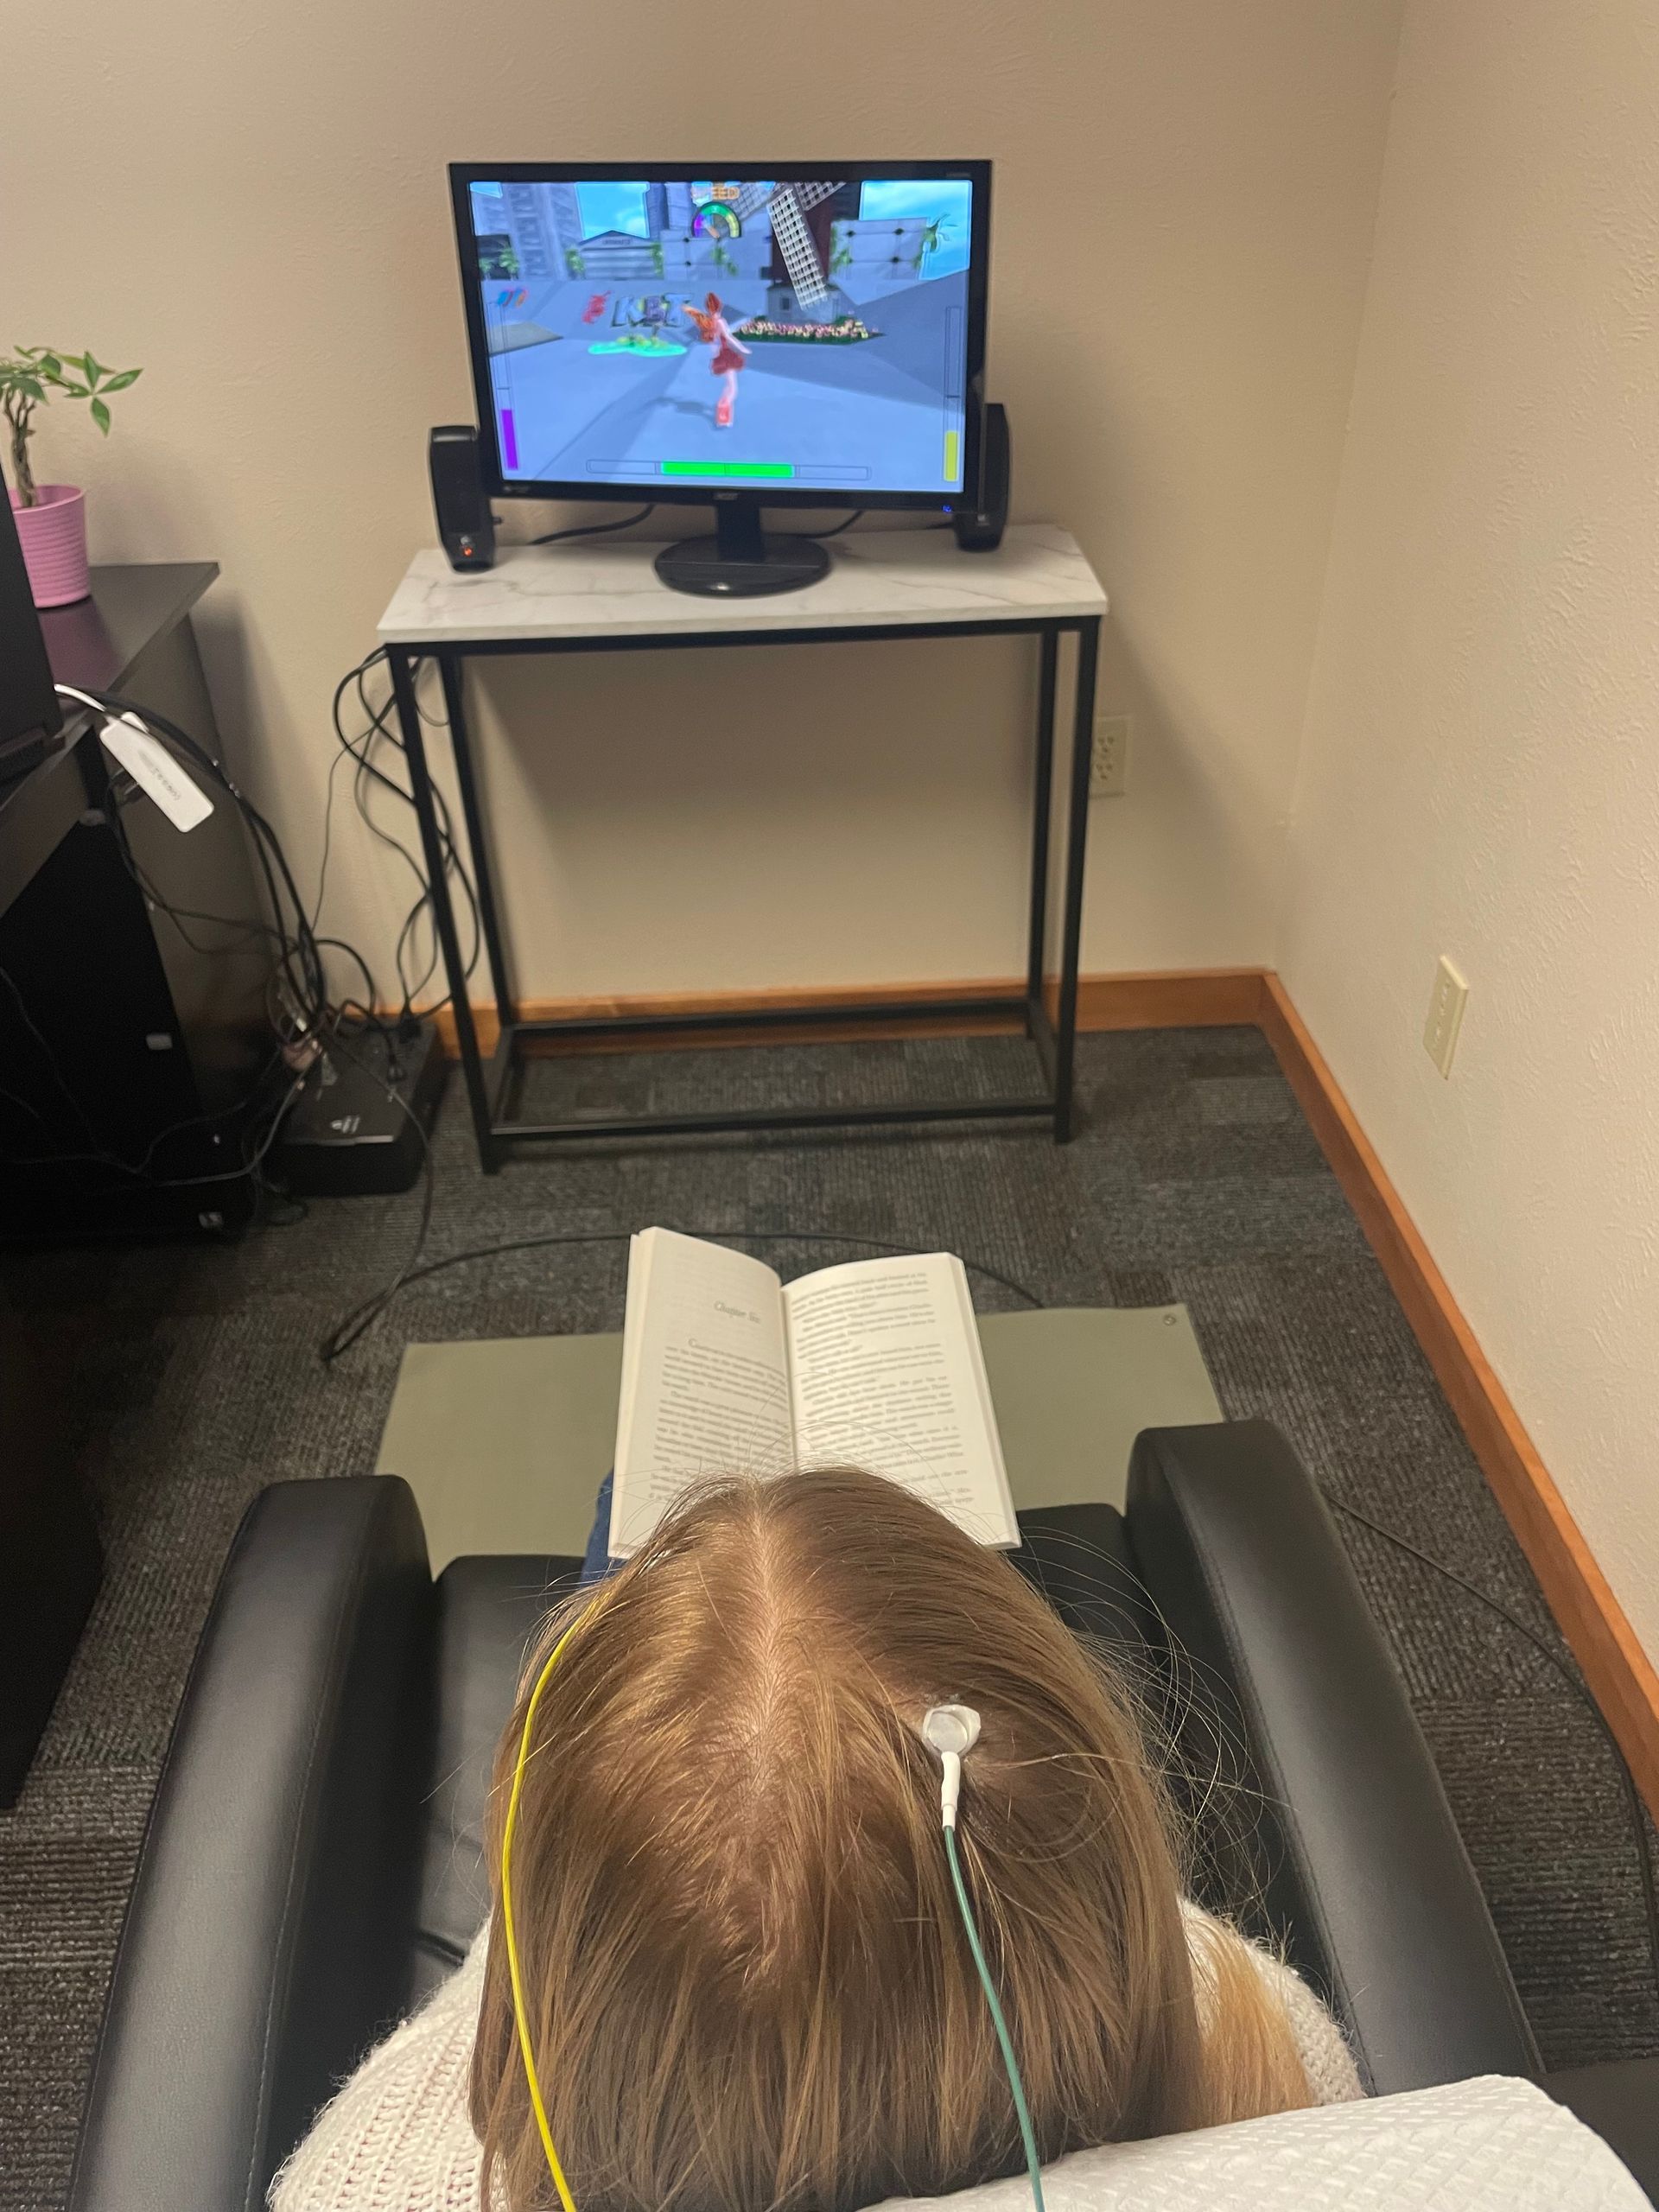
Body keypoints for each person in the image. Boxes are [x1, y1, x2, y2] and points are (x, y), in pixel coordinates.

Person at [273, 1468, 1359, 2212]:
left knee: (623, 1510)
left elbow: (502, 1986)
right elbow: (1146, 1926)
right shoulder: (1276, 2068)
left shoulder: (368, 2176)